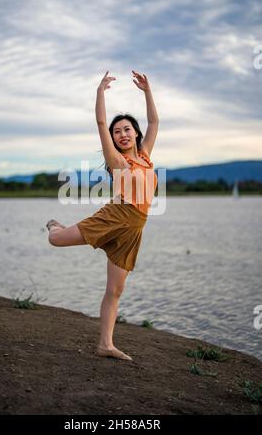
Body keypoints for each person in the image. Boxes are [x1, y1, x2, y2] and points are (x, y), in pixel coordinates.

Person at [46, 70, 159, 361]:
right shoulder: (117, 160)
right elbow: (99, 121)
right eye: (117, 131)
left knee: (115, 290)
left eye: (126, 129)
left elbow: (155, 121)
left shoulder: (145, 156)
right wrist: (100, 91)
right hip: (114, 217)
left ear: (135, 133)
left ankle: (105, 345)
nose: (122, 134)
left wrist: (147, 90)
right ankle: (55, 226)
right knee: (56, 241)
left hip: (133, 230)